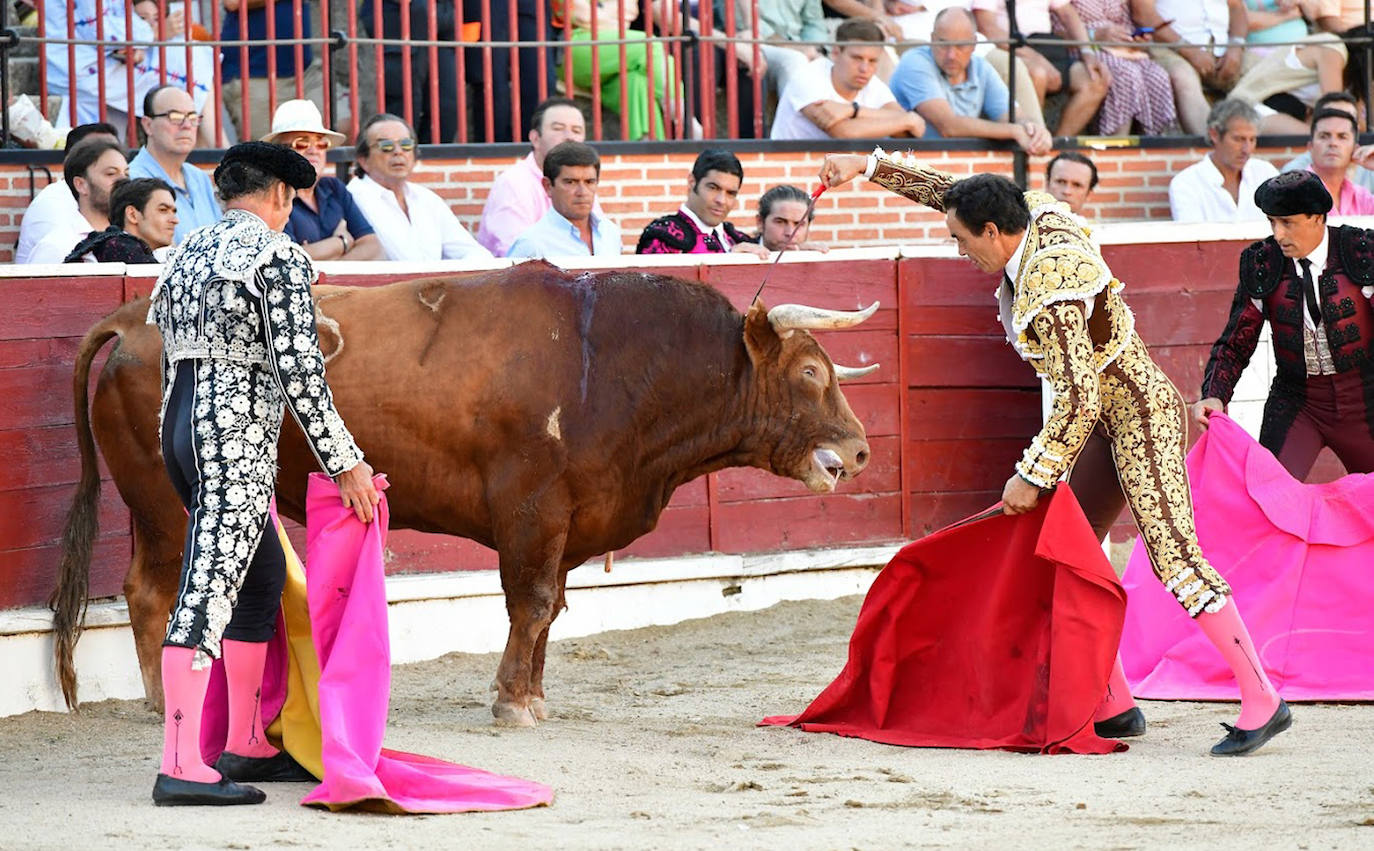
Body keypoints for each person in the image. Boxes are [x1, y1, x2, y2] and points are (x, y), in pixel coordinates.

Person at [818, 148, 1292, 756]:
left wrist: (1032, 475)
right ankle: (1113, 703)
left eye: (962, 241)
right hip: (1104, 419)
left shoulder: (1050, 284)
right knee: (1070, 549)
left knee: (1175, 557)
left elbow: (1079, 396)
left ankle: (1263, 698)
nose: (959, 251)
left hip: (1139, 416)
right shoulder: (1032, 210)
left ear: (994, 232)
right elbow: (953, 192)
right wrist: (865, 169)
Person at [146, 140, 378, 806]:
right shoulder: (277, 256)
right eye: (291, 199)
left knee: (261, 576)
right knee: (209, 586)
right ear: (279, 195)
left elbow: (167, 351)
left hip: (180, 427)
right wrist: (346, 462)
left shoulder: (185, 251)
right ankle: (180, 765)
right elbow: (300, 372)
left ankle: (245, 741)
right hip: (232, 439)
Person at [1194, 170, 1374, 479]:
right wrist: (1214, 393)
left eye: (1287, 223)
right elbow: (1236, 342)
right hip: (1298, 402)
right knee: (1267, 493)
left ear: (1317, 217)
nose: (1278, 234)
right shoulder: (1263, 263)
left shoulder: (1362, 252)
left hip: (1365, 399)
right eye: (1272, 222)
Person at [888, 7, 1052, 155]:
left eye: (961, 46)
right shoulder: (915, 62)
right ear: (932, 39)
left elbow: (1011, 116)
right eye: (943, 44)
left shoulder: (981, 67)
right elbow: (948, 126)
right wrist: (1013, 131)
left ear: (974, 44)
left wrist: (1032, 128)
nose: (951, 55)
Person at [346, 114, 493, 263]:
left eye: (406, 145)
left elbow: (473, 252)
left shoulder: (426, 198)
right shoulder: (353, 199)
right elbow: (406, 260)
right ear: (363, 160)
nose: (398, 151)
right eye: (386, 146)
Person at [477, 98, 603, 257]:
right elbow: (517, 254)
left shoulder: (582, 184)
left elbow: (600, 239)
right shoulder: (513, 183)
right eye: (558, 129)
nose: (569, 137)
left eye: (576, 131)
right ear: (535, 138)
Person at [262, 100, 383, 261]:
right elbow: (289, 259)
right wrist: (341, 242)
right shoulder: (272, 198)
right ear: (280, 151)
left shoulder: (334, 188)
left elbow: (372, 246)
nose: (314, 150)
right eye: (302, 143)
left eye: (321, 143)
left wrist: (329, 267)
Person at [970, 0, 1110, 137]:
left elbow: (1068, 14)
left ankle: (1058, 144)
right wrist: (1035, 58)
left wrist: (1087, 52)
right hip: (1013, 48)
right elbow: (988, 29)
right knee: (1037, 74)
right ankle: (1035, 137)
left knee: (1096, 80)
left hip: (1048, 46)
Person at [769, 19, 926, 141]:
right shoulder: (809, 76)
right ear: (836, 53)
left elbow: (909, 132)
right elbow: (843, 133)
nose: (865, 68)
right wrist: (906, 119)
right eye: (857, 58)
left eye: (872, 61)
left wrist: (852, 110)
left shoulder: (872, 84)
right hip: (790, 167)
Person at [560, 0, 678, 141]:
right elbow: (582, 16)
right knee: (649, 44)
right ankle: (680, 114)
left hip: (613, 51)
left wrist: (600, 12)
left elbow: (629, 12)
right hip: (571, 47)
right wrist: (612, 13)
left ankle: (649, 145)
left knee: (635, 81)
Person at [1063, 0, 1177, 135]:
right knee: (1126, 73)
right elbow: (1058, 33)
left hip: (1122, 50)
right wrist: (1095, 35)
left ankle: (1151, 139)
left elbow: (1127, 25)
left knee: (1157, 76)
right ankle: (1117, 140)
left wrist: (1135, 38)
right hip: (1086, 48)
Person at [129, 85, 223, 244]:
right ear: (147, 125)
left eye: (192, 117)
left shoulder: (200, 178)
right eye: (175, 117)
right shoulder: (133, 179)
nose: (186, 125)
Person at [15, 122, 119, 264]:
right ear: (72, 159)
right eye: (96, 152)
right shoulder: (52, 204)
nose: (109, 157)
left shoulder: (110, 200)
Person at [221, 0, 325, 142]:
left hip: (305, 72)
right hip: (254, 75)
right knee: (268, 149)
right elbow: (232, 2)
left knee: (338, 130)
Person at [635, 149, 768, 256]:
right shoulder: (662, 238)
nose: (721, 200)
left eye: (730, 193)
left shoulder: (739, 239)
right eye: (713, 188)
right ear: (692, 182)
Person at [361, 0, 458, 144]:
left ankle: (429, 156)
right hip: (396, 17)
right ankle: (402, 152)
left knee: (446, 109)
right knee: (404, 107)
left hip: (440, 17)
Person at [1169, 100, 1278, 224]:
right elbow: (1192, 234)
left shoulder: (1266, 173)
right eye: (1239, 139)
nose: (1247, 149)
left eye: (1252, 139)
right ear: (1214, 135)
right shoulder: (1186, 183)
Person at [508, 142, 622, 259]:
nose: (582, 192)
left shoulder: (610, 233)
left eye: (589, 182)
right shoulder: (531, 245)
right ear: (548, 186)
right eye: (570, 182)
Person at [64, 177, 178, 263]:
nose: (175, 220)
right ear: (132, 215)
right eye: (163, 210)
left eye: (174, 212)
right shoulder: (118, 247)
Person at [1282, 91, 1374, 194]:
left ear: (1356, 128)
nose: (1337, 122)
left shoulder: (1369, 166)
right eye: (1329, 115)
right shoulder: (1295, 172)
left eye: (1348, 118)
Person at [1302, 108, 1374, 215]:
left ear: (1355, 148)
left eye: (1342, 137)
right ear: (1310, 147)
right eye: (1324, 136)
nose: (1333, 143)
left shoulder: (1362, 198)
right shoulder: (1294, 192)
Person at [755, 184, 829, 252]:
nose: (790, 233)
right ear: (760, 223)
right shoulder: (748, 251)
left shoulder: (814, 257)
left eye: (799, 224)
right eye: (780, 222)